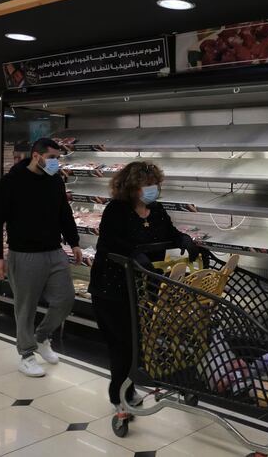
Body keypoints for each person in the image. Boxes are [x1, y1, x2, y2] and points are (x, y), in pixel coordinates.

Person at [89, 161, 198, 415]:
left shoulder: (157, 211)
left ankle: (127, 386)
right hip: (112, 291)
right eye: (146, 186)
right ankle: (120, 395)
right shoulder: (116, 211)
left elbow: (170, 234)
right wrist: (131, 255)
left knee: (138, 344)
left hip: (144, 290)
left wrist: (184, 240)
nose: (153, 190)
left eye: (155, 185)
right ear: (131, 187)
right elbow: (108, 245)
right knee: (123, 345)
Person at [0, 138, 81, 377]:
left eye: (58, 158)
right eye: (51, 158)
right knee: (25, 308)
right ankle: (26, 354)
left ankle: (41, 337)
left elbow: (64, 213)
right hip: (24, 254)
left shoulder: (55, 181)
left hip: (55, 252)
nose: (56, 163)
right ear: (36, 156)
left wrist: (74, 242)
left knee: (65, 299)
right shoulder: (10, 183)